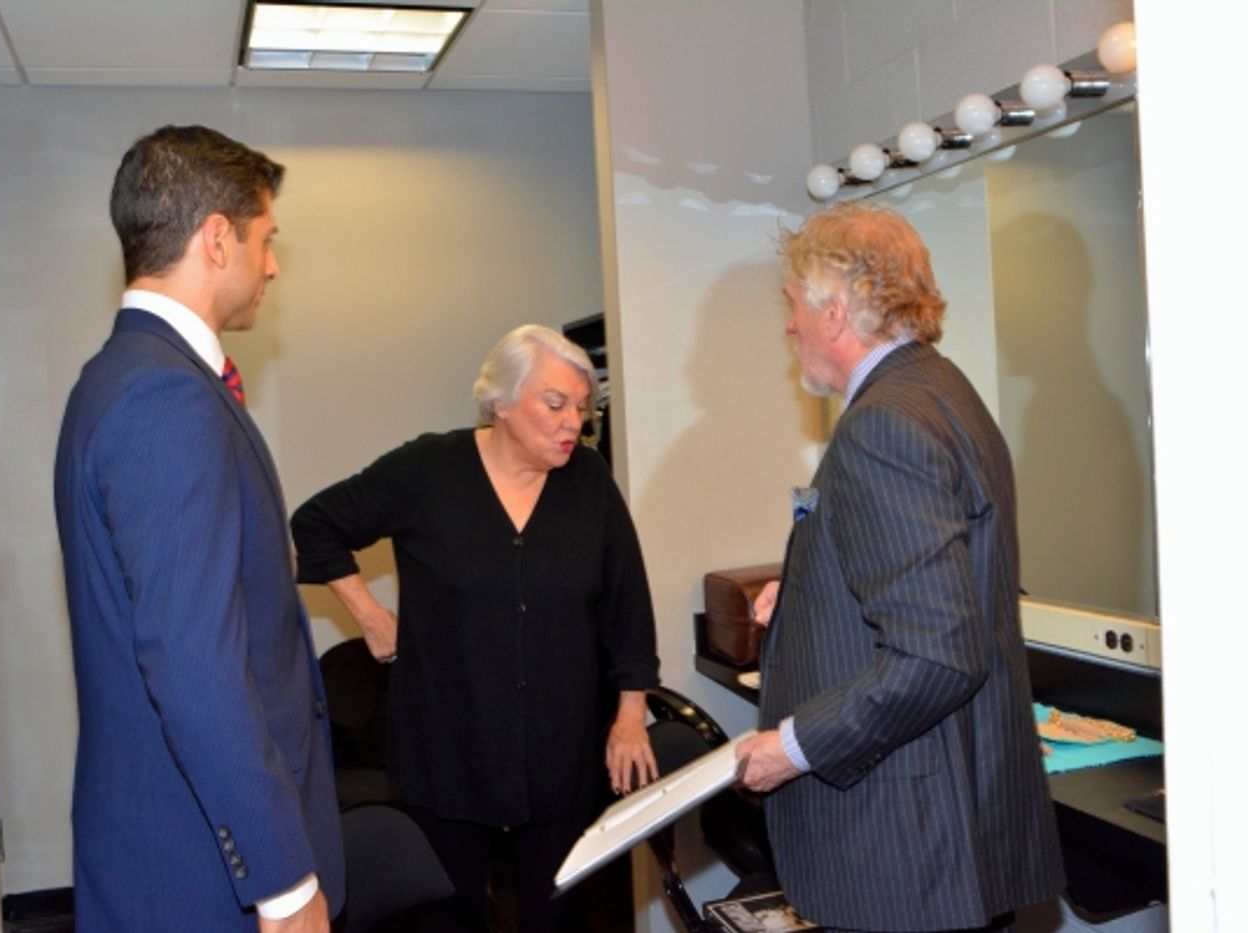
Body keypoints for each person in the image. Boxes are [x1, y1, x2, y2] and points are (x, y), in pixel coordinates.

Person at [735, 203, 1065, 932]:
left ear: (834, 312)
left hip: (908, 853)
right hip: (951, 835)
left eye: (792, 305)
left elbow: (937, 654)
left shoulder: (883, 424)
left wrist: (790, 747)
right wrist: (812, 588)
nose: (788, 326)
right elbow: (944, 582)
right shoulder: (945, 391)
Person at [54, 125, 344, 933]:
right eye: (266, 239)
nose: (273, 265)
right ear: (218, 239)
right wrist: (285, 886)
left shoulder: (120, 378)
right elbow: (191, 662)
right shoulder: (165, 399)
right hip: (199, 873)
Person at [290, 324, 660, 932]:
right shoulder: (429, 469)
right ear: (502, 402)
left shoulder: (588, 481)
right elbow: (316, 525)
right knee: (453, 917)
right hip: (447, 745)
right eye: (555, 404)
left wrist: (628, 716)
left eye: (583, 408)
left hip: (559, 747)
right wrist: (370, 614)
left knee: (561, 916)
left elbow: (627, 604)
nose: (575, 423)